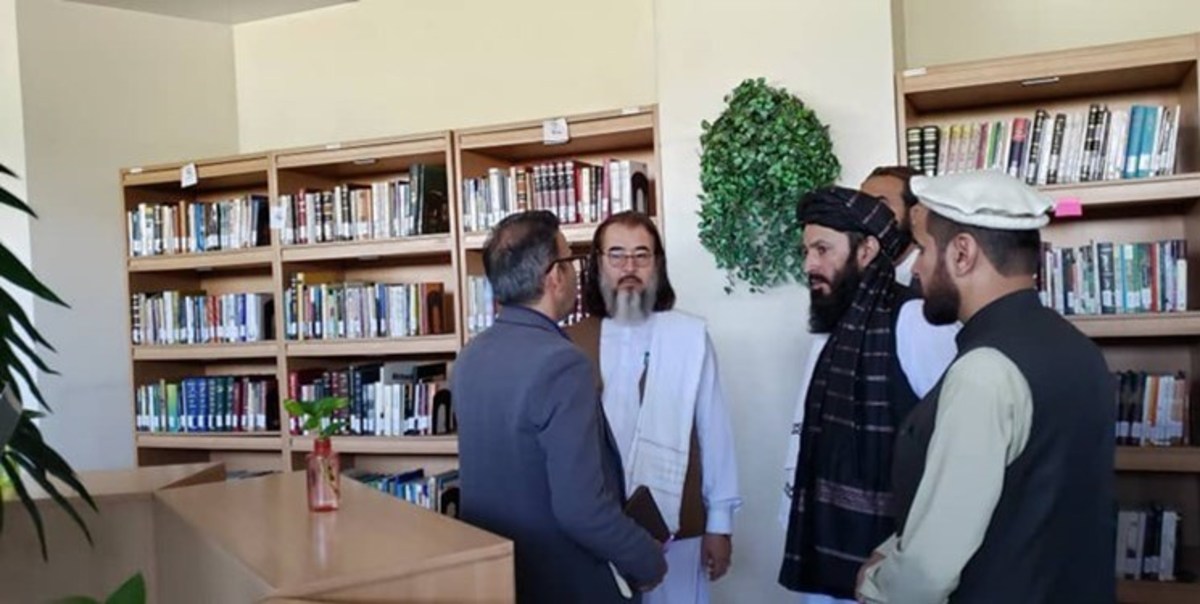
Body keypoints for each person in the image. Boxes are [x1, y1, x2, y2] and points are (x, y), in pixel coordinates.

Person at [856, 170, 1116, 603]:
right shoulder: (1079, 349)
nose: (916, 269)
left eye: (923, 249)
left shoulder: (983, 372)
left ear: (962, 253)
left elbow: (927, 573)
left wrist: (876, 584)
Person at [452, 210, 668, 603]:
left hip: (499, 578)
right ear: (554, 276)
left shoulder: (470, 357)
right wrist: (646, 559)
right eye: (571, 260)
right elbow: (582, 509)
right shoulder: (562, 364)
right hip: (567, 582)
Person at [778, 186, 959, 603]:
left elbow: (952, 443)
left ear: (867, 250)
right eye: (806, 251)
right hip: (827, 547)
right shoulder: (835, 327)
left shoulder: (916, 321)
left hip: (893, 561)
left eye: (822, 249)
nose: (809, 265)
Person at [565, 211, 742, 604]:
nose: (629, 267)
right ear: (597, 265)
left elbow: (714, 432)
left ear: (657, 265)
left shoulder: (689, 337)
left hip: (677, 525)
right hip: (598, 527)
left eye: (641, 255)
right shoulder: (569, 343)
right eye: (617, 255)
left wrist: (720, 524)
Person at [861, 166, 923, 289]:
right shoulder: (857, 274)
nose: (867, 214)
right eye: (862, 204)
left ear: (915, 214)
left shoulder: (933, 280)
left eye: (881, 205)